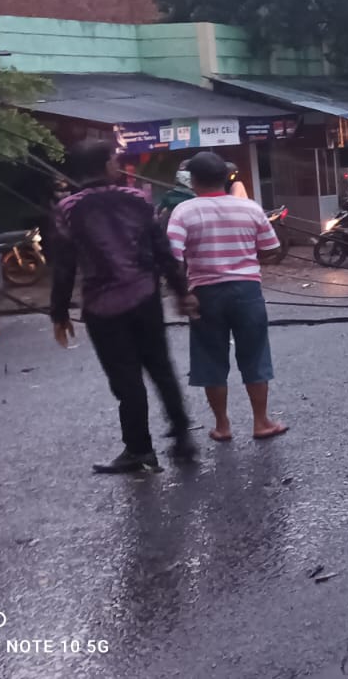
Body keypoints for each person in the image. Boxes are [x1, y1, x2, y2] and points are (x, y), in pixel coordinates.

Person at [51, 140, 197, 474]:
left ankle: (139, 450)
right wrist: (181, 292)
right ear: (106, 166)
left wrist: (58, 313)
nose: (118, 165)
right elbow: (162, 251)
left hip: (103, 308)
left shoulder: (68, 209)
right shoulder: (138, 200)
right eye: (115, 160)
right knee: (161, 369)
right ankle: (182, 440)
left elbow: (63, 266)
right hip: (145, 297)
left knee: (126, 380)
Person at [166, 152, 289, 442]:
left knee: (211, 359)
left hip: (204, 293)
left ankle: (222, 426)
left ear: (193, 180)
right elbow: (272, 248)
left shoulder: (184, 211)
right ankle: (261, 422)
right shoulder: (249, 208)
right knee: (255, 354)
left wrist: (183, 294)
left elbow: (172, 257)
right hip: (246, 291)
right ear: (226, 177)